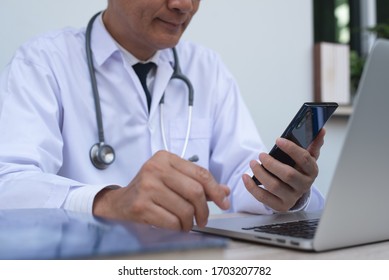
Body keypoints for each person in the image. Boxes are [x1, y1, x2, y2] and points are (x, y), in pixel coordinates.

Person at [0, 0, 325, 232]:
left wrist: (281, 191)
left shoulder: (206, 68)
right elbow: (8, 184)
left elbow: (240, 180)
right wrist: (107, 203)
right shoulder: (43, 63)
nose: (184, 5)